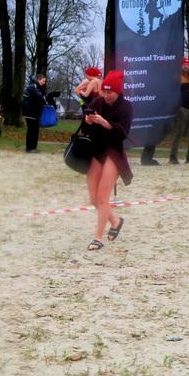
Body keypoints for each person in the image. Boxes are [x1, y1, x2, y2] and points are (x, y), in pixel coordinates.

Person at [82, 70, 133, 250]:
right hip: (96, 151)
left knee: (103, 197)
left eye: (110, 92)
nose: (106, 95)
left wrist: (106, 123)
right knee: (94, 199)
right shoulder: (97, 102)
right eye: (104, 91)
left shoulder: (126, 107)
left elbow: (123, 134)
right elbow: (85, 130)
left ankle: (98, 238)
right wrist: (87, 121)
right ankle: (115, 221)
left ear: (118, 91)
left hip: (113, 153)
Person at [169, 59, 189, 164]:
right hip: (183, 107)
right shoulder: (177, 77)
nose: (185, 66)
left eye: (187, 64)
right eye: (183, 64)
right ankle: (173, 157)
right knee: (179, 132)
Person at [21, 74, 54, 153]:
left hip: (35, 113)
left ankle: (33, 147)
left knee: (35, 130)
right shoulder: (32, 88)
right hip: (30, 113)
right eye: (43, 81)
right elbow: (40, 98)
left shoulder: (37, 88)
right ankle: (29, 148)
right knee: (32, 130)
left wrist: (50, 97)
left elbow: (42, 99)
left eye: (45, 81)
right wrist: (48, 96)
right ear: (38, 80)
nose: (44, 82)